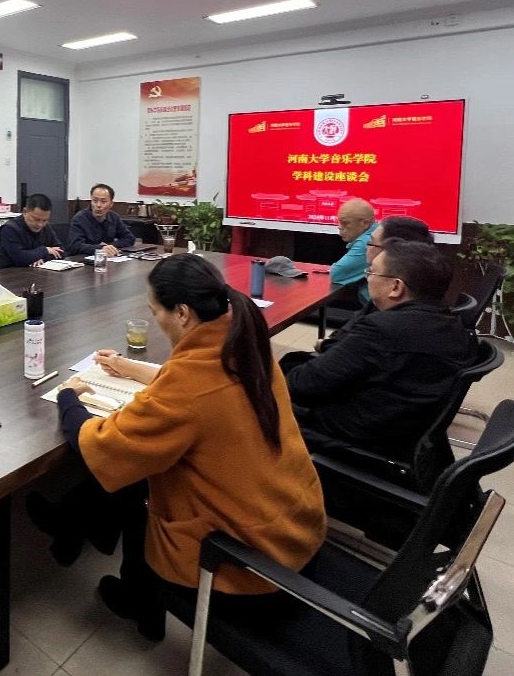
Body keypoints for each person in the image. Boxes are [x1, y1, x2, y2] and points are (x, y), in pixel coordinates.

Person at [40, 254, 326, 640]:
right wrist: (127, 366)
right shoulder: (244, 344)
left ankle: (136, 598)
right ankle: (70, 528)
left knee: (134, 479)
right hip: (292, 528)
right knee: (141, 468)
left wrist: (68, 398)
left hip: (248, 564)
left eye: (155, 311)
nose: (155, 320)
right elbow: (194, 386)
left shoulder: (189, 386)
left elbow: (104, 445)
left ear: (182, 313)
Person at [285, 239, 475, 462]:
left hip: (353, 441)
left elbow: (302, 385)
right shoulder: (453, 325)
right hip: (401, 432)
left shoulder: (382, 330)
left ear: (396, 287)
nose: (367, 278)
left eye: (371, 272)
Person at [308, 215, 434, 353]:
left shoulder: (385, 325)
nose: (366, 247)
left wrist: (325, 345)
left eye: (370, 243)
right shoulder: (416, 302)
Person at [0, 193, 63, 268]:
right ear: (25, 212)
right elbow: (20, 258)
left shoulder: (46, 227)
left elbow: (61, 251)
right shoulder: (9, 229)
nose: (40, 224)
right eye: (36, 219)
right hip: (10, 272)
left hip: (37, 270)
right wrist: (45, 250)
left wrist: (42, 259)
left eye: (45, 220)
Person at [67, 183, 136, 257]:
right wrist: (100, 248)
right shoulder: (79, 218)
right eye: (95, 201)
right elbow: (75, 246)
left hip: (107, 258)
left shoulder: (114, 217)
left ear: (111, 204)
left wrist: (109, 246)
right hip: (82, 259)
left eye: (103, 202)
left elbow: (129, 238)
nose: (98, 205)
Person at [329, 198, 377, 302]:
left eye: (345, 223)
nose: (339, 227)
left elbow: (337, 274)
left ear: (365, 223)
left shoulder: (369, 241)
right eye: (339, 222)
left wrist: (334, 267)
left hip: (380, 309)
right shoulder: (379, 232)